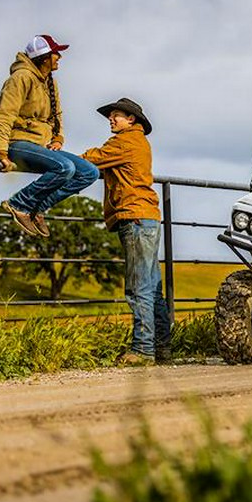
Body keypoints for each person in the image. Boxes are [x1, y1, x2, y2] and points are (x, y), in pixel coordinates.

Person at [82, 97, 172, 366]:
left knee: (138, 287)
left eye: (116, 115)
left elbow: (93, 159)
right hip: (148, 218)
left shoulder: (124, 142)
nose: (111, 119)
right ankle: (162, 348)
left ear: (131, 119)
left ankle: (143, 349)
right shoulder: (140, 142)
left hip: (134, 218)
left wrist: (59, 164)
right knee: (153, 287)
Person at [0, 34, 100, 237]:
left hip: (40, 147)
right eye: (55, 53)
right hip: (17, 143)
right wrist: (2, 152)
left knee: (89, 172)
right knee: (65, 167)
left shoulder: (50, 82)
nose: (59, 56)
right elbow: (4, 114)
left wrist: (58, 138)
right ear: (44, 57)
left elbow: (57, 115)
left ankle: (38, 208)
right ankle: (19, 204)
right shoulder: (21, 77)